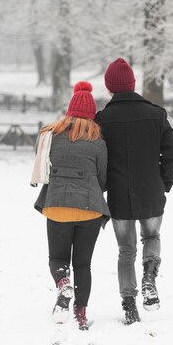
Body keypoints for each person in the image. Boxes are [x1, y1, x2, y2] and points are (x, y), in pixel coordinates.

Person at [95, 58, 173, 325]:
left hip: (119, 195)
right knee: (152, 235)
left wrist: (104, 186)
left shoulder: (102, 119)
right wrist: (164, 181)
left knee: (126, 249)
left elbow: (99, 157)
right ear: (132, 84)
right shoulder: (156, 115)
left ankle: (129, 303)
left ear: (110, 87)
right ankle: (149, 275)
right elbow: (172, 151)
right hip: (151, 191)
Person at [32, 81, 110, 330]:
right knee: (83, 264)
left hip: (57, 205)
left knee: (57, 257)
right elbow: (102, 178)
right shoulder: (98, 141)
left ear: (69, 109)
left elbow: (42, 166)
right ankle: (81, 314)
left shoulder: (50, 134)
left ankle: (63, 283)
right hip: (90, 209)